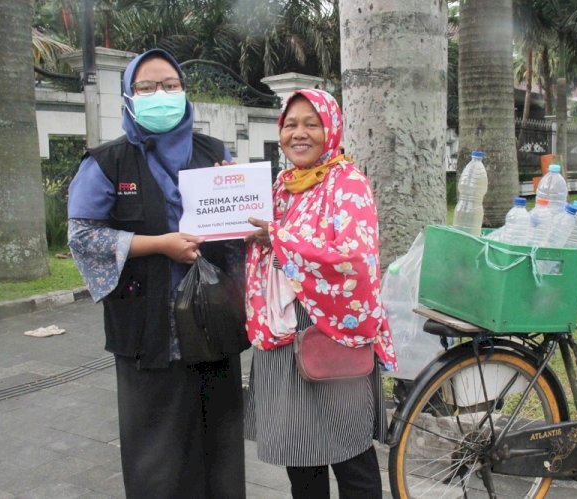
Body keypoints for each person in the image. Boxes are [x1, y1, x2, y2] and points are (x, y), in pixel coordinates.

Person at [67, 48, 248, 498]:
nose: (160, 95)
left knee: (217, 444)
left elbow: (238, 236)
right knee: (158, 455)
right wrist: (160, 246)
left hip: (212, 324)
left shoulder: (214, 152)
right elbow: (83, 236)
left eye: (169, 85)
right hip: (148, 329)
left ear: (184, 92)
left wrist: (242, 200)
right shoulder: (107, 162)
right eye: (146, 87)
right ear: (129, 97)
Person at [243, 88, 397, 499]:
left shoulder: (348, 184)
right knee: (300, 456)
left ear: (330, 129)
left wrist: (279, 239)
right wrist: (230, 193)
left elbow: (355, 260)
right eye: (291, 124)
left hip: (331, 334)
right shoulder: (281, 186)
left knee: (351, 455)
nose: (300, 133)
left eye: (311, 123)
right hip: (282, 339)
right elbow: (257, 234)